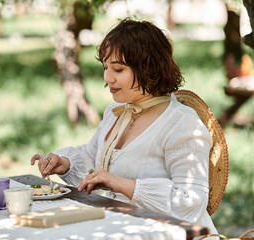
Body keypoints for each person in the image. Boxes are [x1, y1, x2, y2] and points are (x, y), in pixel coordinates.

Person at [31, 18, 217, 234]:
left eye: (118, 69)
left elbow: (191, 201)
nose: (107, 78)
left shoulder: (181, 123)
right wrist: (65, 163)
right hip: (122, 228)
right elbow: (94, 158)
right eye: (105, 67)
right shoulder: (115, 112)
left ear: (150, 69)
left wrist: (121, 184)